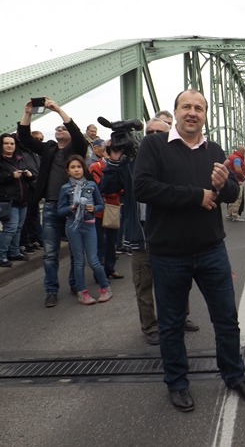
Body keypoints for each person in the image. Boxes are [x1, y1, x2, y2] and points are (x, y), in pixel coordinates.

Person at [133, 89, 245, 411]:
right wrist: (196, 196)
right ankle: (177, 383)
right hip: (168, 253)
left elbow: (229, 192)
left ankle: (234, 375)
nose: (192, 112)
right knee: (172, 325)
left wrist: (221, 185)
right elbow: (143, 187)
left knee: (226, 319)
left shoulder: (213, 149)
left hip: (211, 249)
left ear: (205, 115)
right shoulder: (155, 145)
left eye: (199, 108)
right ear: (175, 111)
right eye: (186, 107)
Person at [101, 117, 198, 345]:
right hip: (142, 233)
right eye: (149, 132)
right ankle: (150, 326)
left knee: (179, 280)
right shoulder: (130, 162)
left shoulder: (176, 158)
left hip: (172, 232)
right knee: (144, 284)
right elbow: (107, 188)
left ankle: (181, 317)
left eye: (159, 132)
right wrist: (114, 161)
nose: (153, 136)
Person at [17, 97, 88, 307]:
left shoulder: (76, 150)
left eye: (63, 128)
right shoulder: (49, 148)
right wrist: (27, 112)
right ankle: (51, 290)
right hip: (50, 206)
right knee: (50, 253)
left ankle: (75, 283)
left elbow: (77, 134)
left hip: (73, 207)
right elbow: (24, 138)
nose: (59, 129)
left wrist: (57, 109)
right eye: (57, 128)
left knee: (76, 250)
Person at [57, 155, 113, 305]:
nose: (76, 170)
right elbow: (60, 210)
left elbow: (101, 205)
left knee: (93, 260)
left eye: (79, 167)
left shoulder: (91, 185)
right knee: (79, 261)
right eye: (73, 167)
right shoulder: (65, 188)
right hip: (73, 226)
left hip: (89, 225)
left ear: (83, 169)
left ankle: (105, 288)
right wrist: (71, 208)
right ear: (67, 171)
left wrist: (93, 208)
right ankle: (82, 292)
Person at [89, 140, 123, 280]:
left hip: (113, 207)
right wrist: (116, 191)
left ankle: (110, 268)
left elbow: (124, 187)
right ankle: (98, 273)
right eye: (109, 150)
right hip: (99, 208)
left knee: (112, 241)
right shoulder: (95, 166)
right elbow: (100, 188)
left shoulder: (121, 166)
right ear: (103, 152)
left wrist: (115, 190)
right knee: (99, 242)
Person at [0, 134, 36, 267]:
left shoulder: (19, 159)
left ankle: (14, 252)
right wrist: (11, 175)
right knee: (10, 228)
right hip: (8, 200)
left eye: (12, 143)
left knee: (18, 228)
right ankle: (1, 255)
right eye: (6, 143)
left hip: (22, 199)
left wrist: (30, 175)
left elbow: (31, 176)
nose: (9, 146)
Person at [226, 145, 245, 222]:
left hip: (229, 180)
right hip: (237, 180)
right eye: (244, 152)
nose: (244, 154)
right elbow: (237, 169)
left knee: (231, 197)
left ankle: (230, 214)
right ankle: (235, 215)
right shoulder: (237, 158)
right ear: (241, 151)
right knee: (237, 198)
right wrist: (243, 176)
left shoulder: (230, 156)